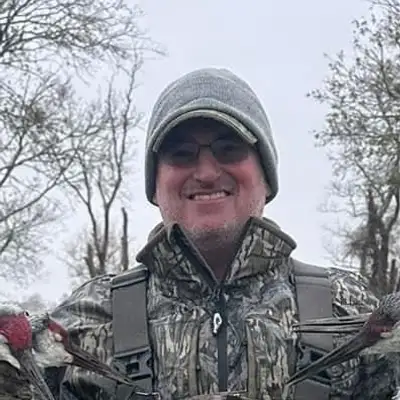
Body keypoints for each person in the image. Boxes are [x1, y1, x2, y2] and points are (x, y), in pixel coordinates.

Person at [14, 68, 400, 399]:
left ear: (266, 177)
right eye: (181, 154)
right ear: (155, 186)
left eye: (229, 149)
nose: (206, 172)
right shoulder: (83, 321)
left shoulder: (350, 309)